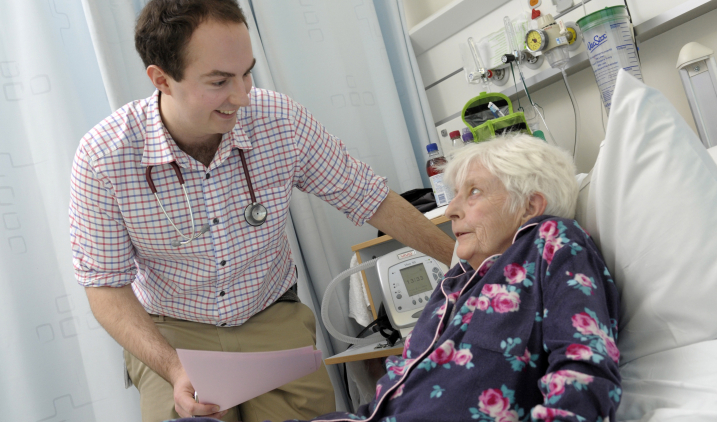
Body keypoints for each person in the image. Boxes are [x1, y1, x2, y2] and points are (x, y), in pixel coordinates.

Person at [68, 1, 455, 422]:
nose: (241, 95)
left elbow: (371, 198)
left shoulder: (278, 120)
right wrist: (174, 368)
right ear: (162, 79)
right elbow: (105, 288)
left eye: (246, 72)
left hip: (270, 314)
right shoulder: (104, 157)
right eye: (219, 81)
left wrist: (462, 265)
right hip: (174, 331)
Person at [176, 134, 620, 422]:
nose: (451, 211)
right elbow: (393, 398)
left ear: (530, 204)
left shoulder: (554, 242)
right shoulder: (458, 281)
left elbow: (584, 368)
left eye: (475, 192)